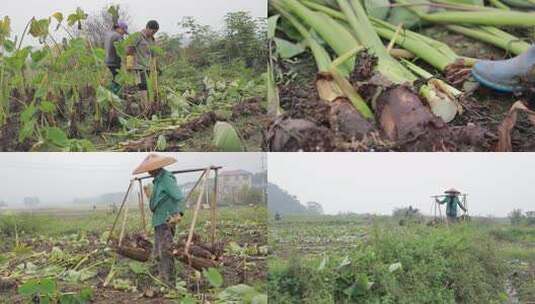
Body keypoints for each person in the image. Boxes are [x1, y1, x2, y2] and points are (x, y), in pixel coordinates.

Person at [133, 154, 184, 286]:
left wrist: (178, 213)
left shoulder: (166, 179)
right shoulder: (157, 180)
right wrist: (149, 195)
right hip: (158, 221)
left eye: (150, 169)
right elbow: (159, 199)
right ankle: (161, 277)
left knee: (165, 251)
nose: (148, 172)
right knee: (158, 252)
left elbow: (178, 196)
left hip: (166, 221)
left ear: (157, 168)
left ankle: (169, 282)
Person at [126, 20, 160, 109]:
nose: (153, 34)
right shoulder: (138, 36)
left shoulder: (152, 40)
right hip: (138, 66)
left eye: (155, 32)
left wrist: (157, 67)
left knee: (147, 87)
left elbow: (153, 54)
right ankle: (145, 107)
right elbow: (130, 49)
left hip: (147, 67)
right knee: (142, 86)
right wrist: (129, 64)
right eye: (153, 31)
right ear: (147, 28)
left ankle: (145, 105)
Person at [104, 21, 129, 95]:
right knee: (117, 81)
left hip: (107, 61)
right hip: (115, 62)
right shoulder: (118, 36)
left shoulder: (108, 34)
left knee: (110, 80)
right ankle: (113, 97)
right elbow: (123, 50)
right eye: (123, 31)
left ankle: (109, 95)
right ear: (119, 28)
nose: (124, 33)